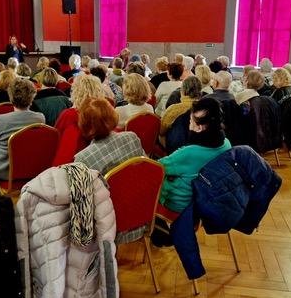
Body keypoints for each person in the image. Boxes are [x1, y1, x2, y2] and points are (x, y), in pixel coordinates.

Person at [153, 97, 232, 246]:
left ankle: (157, 234)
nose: (189, 124)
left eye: (191, 121)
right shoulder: (226, 144)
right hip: (206, 202)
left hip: (180, 205)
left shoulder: (188, 153)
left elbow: (156, 168)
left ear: (199, 128)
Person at [0, 78, 45, 180]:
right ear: (31, 97)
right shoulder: (40, 118)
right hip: (31, 169)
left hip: (3, 171)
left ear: (11, 98)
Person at [74, 97, 144, 176]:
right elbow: (148, 166)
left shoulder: (83, 159)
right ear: (112, 115)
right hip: (139, 182)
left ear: (84, 124)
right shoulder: (132, 138)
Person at [53, 74, 106, 165]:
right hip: (99, 161)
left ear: (76, 92)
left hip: (73, 165)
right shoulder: (105, 115)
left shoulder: (68, 115)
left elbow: (55, 142)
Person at [159, 76, 203, 145]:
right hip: (200, 144)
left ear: (182, 92)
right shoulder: (205, 109)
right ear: (200, 92)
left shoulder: (174, 109)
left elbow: (161, 131)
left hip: (176, 146)